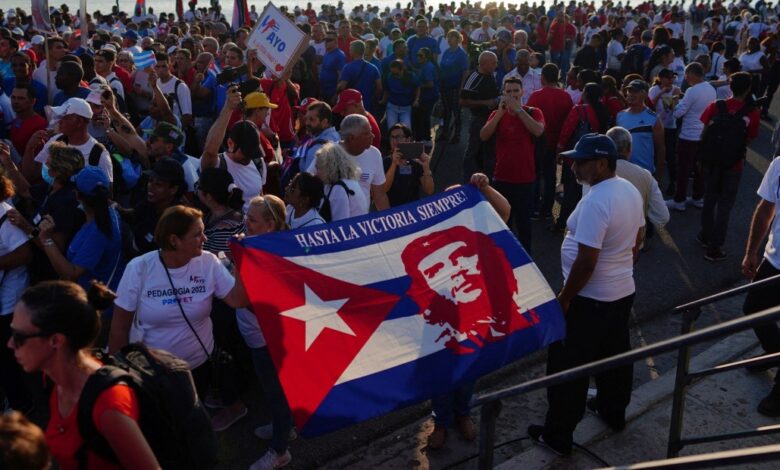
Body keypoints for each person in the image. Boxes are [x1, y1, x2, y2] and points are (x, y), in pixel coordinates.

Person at [528, 133, 644, 456]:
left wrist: (564, 298)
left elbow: (586, 262)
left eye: (581, 161)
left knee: (568, 369)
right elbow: (637, 241)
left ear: (603, 164)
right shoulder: (629, 189)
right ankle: (613, 411)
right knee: (615, 358)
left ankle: (558, 435)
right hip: (621, 293)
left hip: (589, 301)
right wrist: (620, 269)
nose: (574, 166)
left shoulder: (597, 201)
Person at [8, 280, 160, 469]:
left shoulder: (109, 405)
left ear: (56, 340)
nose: (10, 344)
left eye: (19, 336)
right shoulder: (55, 379)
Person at [109, 205, 248, 396]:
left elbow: (237, 300)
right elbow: (119, 328)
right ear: (174, 240)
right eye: (198, 234)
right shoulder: (139, 268)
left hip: (198, 367)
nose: (205, 239)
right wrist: (121, 377)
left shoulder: (208, 262)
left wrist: (242, 262)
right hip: (152, 372)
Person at [238, 195, 295, 470]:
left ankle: (280, 450)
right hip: (257, 337)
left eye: (252, 220)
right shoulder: (255, 244)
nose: (245, 223)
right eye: (246, 216)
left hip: (267, 340)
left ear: (270, 225)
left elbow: (254, 302)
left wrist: (234, 268)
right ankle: (283, 425)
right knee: (274, 393)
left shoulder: (272, 254)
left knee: (277, 393)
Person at [698, 72, 760, 261]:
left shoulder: (716, 106)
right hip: (733, 164)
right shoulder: (752, 112)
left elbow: (704, 130)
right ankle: (714, 247)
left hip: (711, 160)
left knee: (709, 198)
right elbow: (749, 137)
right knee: (725, 205)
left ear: (730, 87)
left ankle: (705, 235)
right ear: (748, 89)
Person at [479, 77, 545, 252]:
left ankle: (526, 262)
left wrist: (519, 111)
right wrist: (500, 113)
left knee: (524, 226)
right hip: (502, 178)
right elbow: (483, 136)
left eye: (516, 91)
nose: (512, 94)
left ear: (522, 92)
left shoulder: (533, 112)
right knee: (502, 224)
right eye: (508, 91)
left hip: (525, 179)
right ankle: (503, 260)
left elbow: (538, 130)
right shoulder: (497, 114)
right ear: (503, 93)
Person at [38, 165, 124, 298]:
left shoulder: (98, 231)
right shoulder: (107, 214)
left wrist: (46, 240)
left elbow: (71, 274)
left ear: (77, 195)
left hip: (94, 305)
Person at [741, 152, 780, 417]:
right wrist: (752, 251)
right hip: (775, 259)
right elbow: (766, 207)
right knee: (752, 308)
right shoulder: (779, 164)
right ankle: (774, 350)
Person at [553, 83, 611, 232]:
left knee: (570, 192)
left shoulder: (579, 110)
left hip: (576, 156)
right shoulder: (604, 112)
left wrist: (559, 149)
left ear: (585, 94)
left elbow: (567, 130)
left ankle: (563, 224)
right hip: (595, 159)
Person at [603, 126, 670, 249]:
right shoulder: (645, 175)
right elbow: (663, 216)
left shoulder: (596, 173)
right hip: (632, 242)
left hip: (601, 241)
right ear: (629, 148)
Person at [201, 87, 266, 212]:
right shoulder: (218, 164)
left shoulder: (258, 162)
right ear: (230, 143)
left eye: (253, 152)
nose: (249, 158)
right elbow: (209, 150)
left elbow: (259, 195)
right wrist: (228, 108)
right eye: (245, 152)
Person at [27, 98, 113, 186]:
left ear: (79, 122)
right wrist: (30, 149)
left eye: (65, 118)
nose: (60, 121)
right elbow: (32, 174)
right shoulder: (56, 140)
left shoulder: (100, 154)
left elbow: (107, 193)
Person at [527, 63, 574, 221]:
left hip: (537, 141)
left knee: (533, 174)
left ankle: (533, 207)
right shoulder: (565, 96)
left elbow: (528, 119)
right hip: (556, 143)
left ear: (543, 78)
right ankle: (547, 210)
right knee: (550, 175)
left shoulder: (536, 96)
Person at [667, 63, 716, 211]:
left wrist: (673, 103)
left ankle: (679, 200)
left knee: (684, 169)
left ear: (694, 74)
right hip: (704, 135)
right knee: (699, 169)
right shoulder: (711, 89)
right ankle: (697, 197)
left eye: (687, 75)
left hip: (688, 136)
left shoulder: (692, 90)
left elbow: (678, 113)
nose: (686, 78)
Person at [460, 51, 499, 181]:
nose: (496, 65)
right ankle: (468, 181)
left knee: (489, 152)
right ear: (484, 63)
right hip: (479, 120)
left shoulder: (490, 75)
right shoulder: (474, 77)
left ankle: (487, 181)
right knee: (473, 151)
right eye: (493, 63)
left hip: (492, 119)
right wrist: (485, 102)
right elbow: (462, 101)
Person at [338, 114, 389, 211]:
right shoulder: (327, 154)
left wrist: (390, 222)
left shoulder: (374, 154)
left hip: (361, 223)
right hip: (334, 224)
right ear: (351, 138)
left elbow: (380, 195)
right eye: (367, 133)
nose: (372, 136)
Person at [616, 80, 666, 178]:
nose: (631, 94)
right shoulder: (619, 116)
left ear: (645, 94)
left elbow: (660, 148)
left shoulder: (653, 118)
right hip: (623, 174)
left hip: (644, 173)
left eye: (635, 92)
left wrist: (658, 175)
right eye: (629, 91)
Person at [648, 68, 682, 196]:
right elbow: (651, 105)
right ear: (660, 78)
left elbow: (673, 108)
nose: (670, 80)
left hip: (670, 126)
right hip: (656, 126)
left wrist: (674, 98)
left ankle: (673, 182)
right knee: (655, 153)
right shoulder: (654, 89)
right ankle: (654, 181)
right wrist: (662, 92)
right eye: (668, 77)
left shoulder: (676, 89)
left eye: (672, 78)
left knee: (671, 155)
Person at [383, 123, 434, 207]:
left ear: (408, 139)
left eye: (399, 137)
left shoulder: (416, 161)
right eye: (392, 137)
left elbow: (429, 190)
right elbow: (384, 189)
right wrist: (394, 164)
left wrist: (426, 168)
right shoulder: (386, 161)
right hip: (392, 211)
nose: (395, 140)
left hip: (413, 210)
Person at [314, 143, 368, 221]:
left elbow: (339, 225)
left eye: (318, 168)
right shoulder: (347, 183)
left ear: (329, 167)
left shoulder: (339, 189)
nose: (316, 173)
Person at [438, 30, 470, 143]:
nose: (449, 39)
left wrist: (462, 88)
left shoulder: (461, 54)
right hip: (445, 86)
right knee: (446, 111)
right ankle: (445, 133)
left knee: (456, 111)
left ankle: (457, 135)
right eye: (448, 37)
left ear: (458, 39)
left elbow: (465, 72)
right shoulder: (446, 52)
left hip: (456, 87)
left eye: (452, 37)